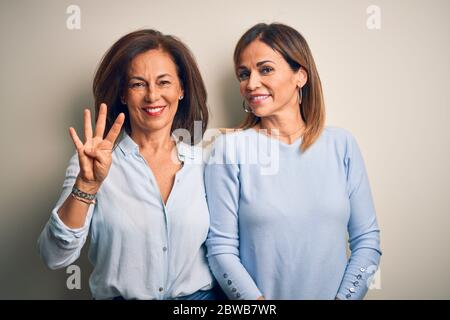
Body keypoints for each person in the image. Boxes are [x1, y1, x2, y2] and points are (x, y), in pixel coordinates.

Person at [38, 29, 224, 300]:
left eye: (164, 83)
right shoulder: (92, 164)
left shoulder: (204, 164)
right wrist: (87, 186)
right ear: (123, 94)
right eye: (138, 84)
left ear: (181, 89)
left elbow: (226, 248)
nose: (152, 96)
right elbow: (54, 257)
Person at [205, 23, 382, 300]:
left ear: (300, 75)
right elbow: (221, 249)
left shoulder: (341, 144)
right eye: (243, 74)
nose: (251, 84)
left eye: (265, 69)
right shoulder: (229, 150)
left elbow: (367, 241)